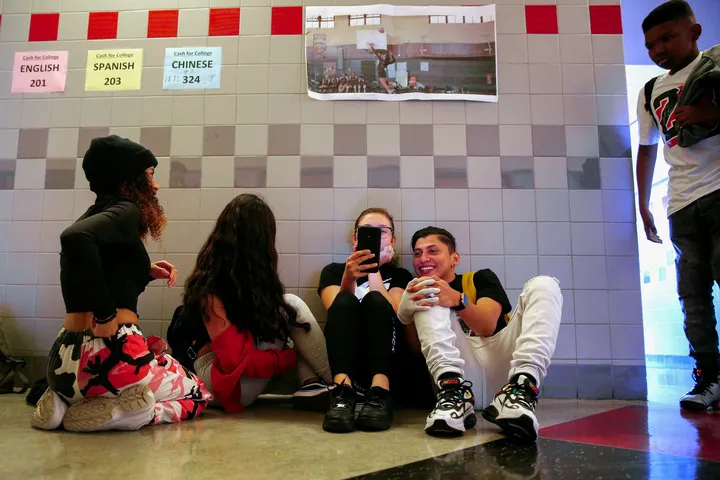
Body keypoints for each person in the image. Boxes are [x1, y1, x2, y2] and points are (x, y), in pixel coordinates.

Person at [31, 135, 213, 432]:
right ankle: (129, 412)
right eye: (150, 175)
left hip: (64, 361)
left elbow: (90, 266)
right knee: (197, 392)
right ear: (128, 179)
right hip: (113, 358)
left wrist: (144, 270)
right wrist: (105, 314)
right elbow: (74, 238)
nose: (155, 186)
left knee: (93, 380)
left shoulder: (94, 215)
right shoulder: (128, 209)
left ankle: (64, 402)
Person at [398, 227, 562, 441]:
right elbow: (416, 349)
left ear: (454, 258)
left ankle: (521, 390)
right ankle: (454, 394)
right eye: (417, 253)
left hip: (503, 366)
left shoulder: (480, 279)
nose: (423, 258)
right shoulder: (418, 289)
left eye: (433, 251)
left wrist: (457, 299)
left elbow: (486, 326)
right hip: (458, 374)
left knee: (545, 284)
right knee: (428, 290)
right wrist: (405, 316)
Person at [636, 1, 720, 410]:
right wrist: (643, 204)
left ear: (695, 31)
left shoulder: (715, 67)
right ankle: (708, 377)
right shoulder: (651, 90)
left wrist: (708, 112)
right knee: (692, 295)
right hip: (681, 202)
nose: (658, 50)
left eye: (667, 37)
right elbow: (646, 149)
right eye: (650, 44)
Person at [182, 194, 332, 413]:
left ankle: (312, 383)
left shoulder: (250, 284)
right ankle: (339, 384)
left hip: (239, 375)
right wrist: (288, 357)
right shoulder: (210, 289)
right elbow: (235, 360)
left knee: (288, 315)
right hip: (221, 381)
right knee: (291, 307)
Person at [318, 208, 430, 433]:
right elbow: (336, 311)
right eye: (368, 231)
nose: (376, 236)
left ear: (393, 239)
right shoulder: (334, 271)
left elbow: (396, 313)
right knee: (344, 301)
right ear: (355, 238)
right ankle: (342, 392)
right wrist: (349, 276)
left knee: (377, 301)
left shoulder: (400, 276)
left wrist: (374, 269)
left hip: (388, 364)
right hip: (347, 361)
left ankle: (380, 392)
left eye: (383, 231)